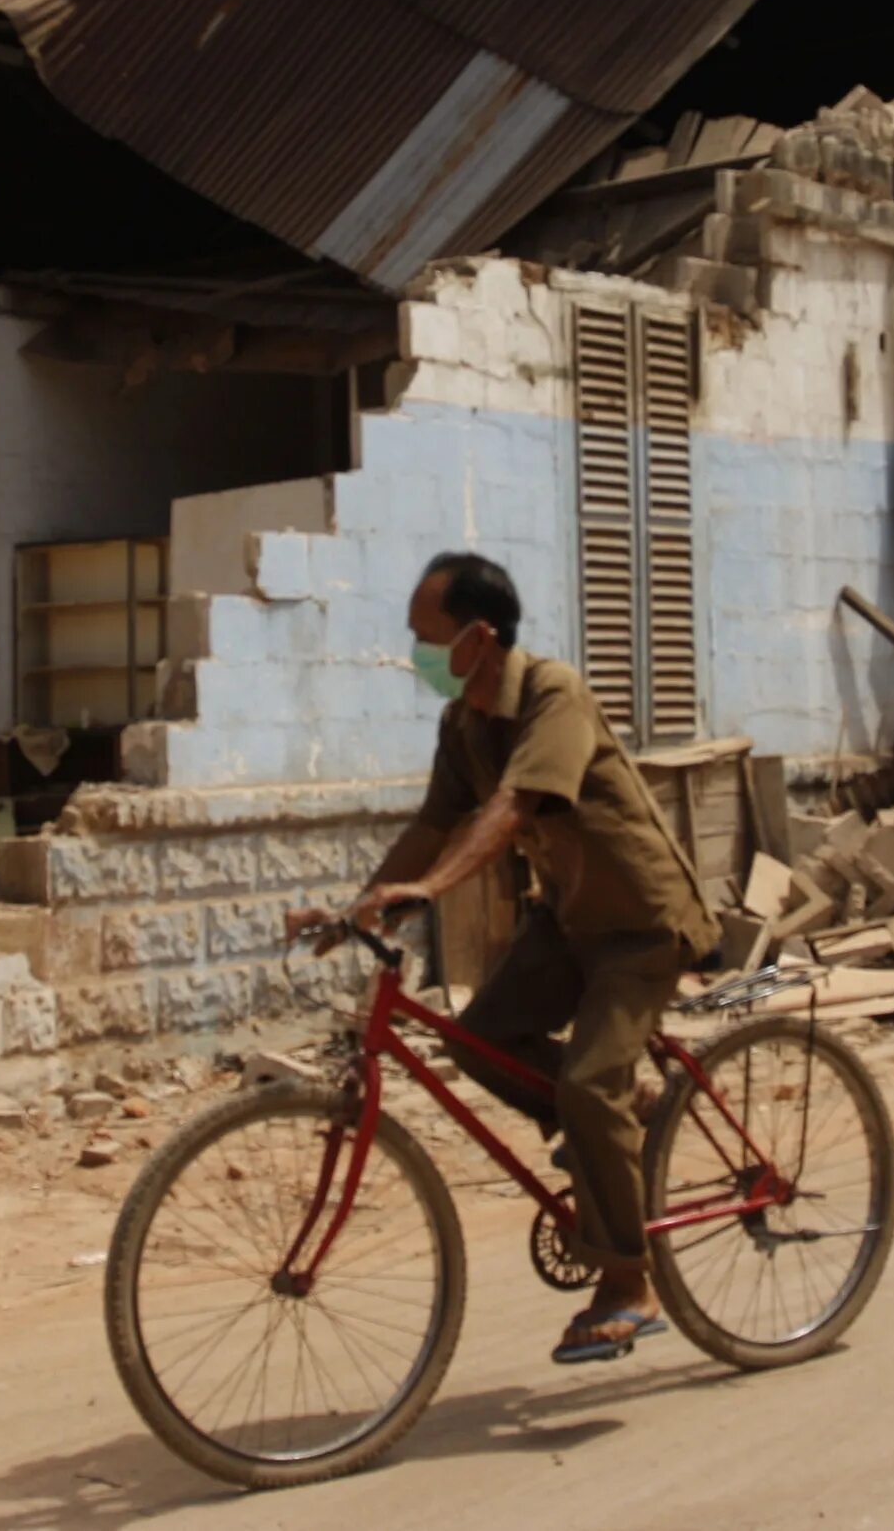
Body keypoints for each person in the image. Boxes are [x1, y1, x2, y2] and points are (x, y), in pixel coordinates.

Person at [289, 552, 719, 1365]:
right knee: (473, 1039)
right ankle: (607, 1124)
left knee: (590, 1083)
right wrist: (360, 904)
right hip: (567, 921)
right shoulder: (463, 723)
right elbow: (433, 822)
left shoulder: (554, 695)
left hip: (639, 924)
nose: (415, 655)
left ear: (479, 639)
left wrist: (432, 886)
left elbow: (513, 805)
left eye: (427, 639)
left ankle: (629, 1282)